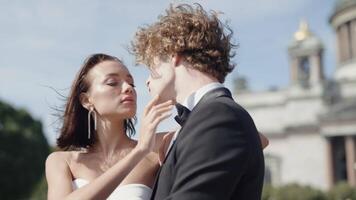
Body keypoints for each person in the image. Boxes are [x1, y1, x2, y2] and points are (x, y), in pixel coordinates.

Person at [132, 3, 265, 200]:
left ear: (173, 56)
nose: (147, 80)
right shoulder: (210, 116)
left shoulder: (218, 116)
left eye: (151, 66)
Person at [45, 53, 174, 200]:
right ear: (87, 100)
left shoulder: (159, 146)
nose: (128, 88)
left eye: (131, 83)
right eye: (112, 82)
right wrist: (138, 152)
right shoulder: (62, 161)